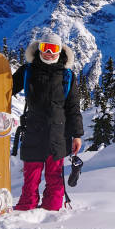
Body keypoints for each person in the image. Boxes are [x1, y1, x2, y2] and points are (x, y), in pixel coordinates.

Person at [12, 33, 83, 211]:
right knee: (31, 175)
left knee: (54, 176)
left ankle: (52, 212)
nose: (49, 53)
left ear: (60, 51)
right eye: (45, 48)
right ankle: (25, 210)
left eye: (53, 49)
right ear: (39, 48)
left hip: (58, 133)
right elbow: (7, 87)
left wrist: (77, 135)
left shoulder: (67, 76)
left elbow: (73, 107)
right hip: (33, 130)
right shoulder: (28, 70)